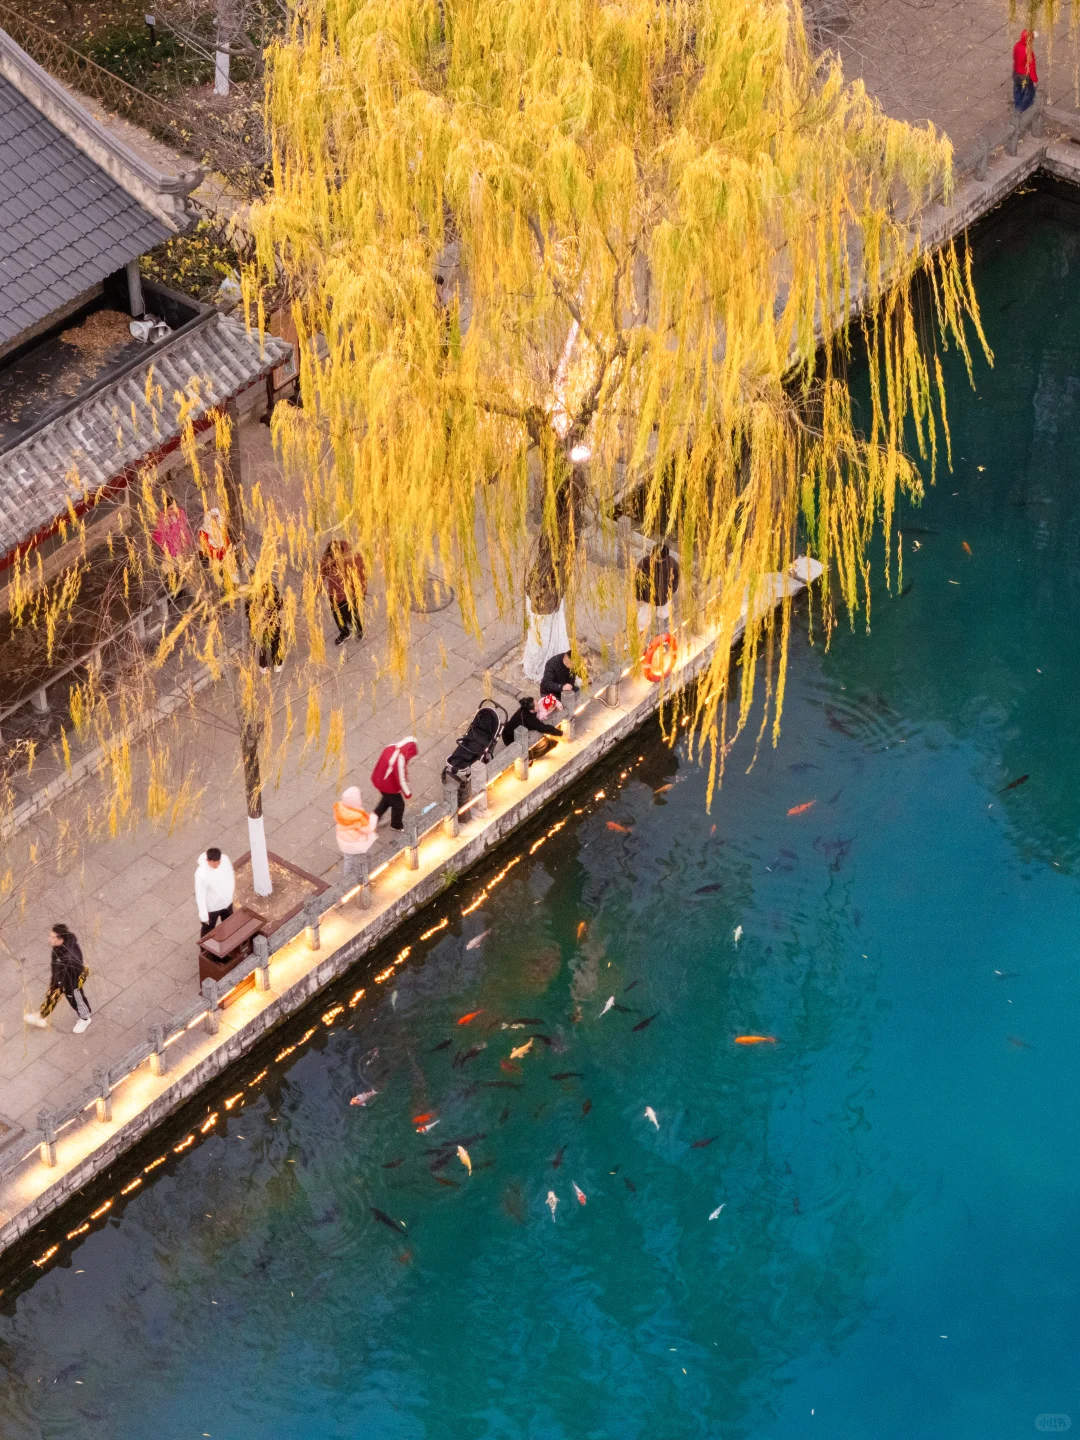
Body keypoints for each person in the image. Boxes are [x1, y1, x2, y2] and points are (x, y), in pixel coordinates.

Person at [24, 924, 92, 1033]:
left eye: (52, 937)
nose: (49, 939)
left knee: (76, 999)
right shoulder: (59, 946)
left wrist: (73, 987)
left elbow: (80, 971)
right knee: (52, 995)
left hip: (71, 982)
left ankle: (85, 1018)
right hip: (60, 978)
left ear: (60, 939)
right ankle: (42, 1016)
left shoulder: (70, 957)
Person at [320, 539, 368, 645]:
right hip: (334, 593)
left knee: (350, 614)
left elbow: (362, 575)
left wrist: (362, 592)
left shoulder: (354, 558)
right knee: (337, 614)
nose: (334, 561)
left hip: (350, 594)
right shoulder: (328, 557)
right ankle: (344, 632)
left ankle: (358, 630)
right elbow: (322, 574)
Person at [370, 736, 418, 831]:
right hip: (388, 786)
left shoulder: (391, 747)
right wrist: (408, 794)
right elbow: (401, 780)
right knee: (399, 805)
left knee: (387, 800)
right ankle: (396, 825)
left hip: (379, 779)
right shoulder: (399, 761)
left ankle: (374, 818)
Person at [636, 542, 679, 635]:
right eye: (652, 553)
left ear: (663, 558)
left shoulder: (671, 562)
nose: (652, 556)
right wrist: (639, 597)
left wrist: (672, 590)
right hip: (648, 597)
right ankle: (640, 636)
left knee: (664, 614)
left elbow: (676, 577)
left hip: (664, 597)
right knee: (643, 618)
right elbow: (637, 581)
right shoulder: (645, 562)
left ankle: (662, 634)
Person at [195, 847, 235, 937]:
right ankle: (205, 949)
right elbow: (200, 895)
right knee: (208, 929)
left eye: (218, 862)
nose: (217, 865)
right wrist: (203, 915)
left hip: (226, 902)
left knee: (229, 923)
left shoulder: (225, 860)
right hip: (212, 907)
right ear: (208, 860)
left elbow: (230, 874)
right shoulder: (201, 874)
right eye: (214, 863)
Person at [248, 582, 285, 672]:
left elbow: (248, 612)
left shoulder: (252, 594)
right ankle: (277, 663)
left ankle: (263, 665)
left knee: (261, 644)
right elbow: (280, 604)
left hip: (259, 625)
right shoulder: (272, 589)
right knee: (276, 640)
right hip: (273, 622)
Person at [333, 786, 379, 855]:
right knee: (363, 859)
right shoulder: (358, 818)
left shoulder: (340, 809)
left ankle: (349, 865)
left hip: (344, 841)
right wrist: (373, 818)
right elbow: (369, 829)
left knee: (349, 859)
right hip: (356, 843)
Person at [1013, 29, 1038, 112]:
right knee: (1031, 92)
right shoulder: (1029, 51)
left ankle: (1017, 107)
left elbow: (1014, 57)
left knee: (1018, 91)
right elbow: (1031, 66)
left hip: (1016, 73)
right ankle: (1024, 109)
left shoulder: (1017, 45)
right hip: (1025, 75)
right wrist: (1035, 80)